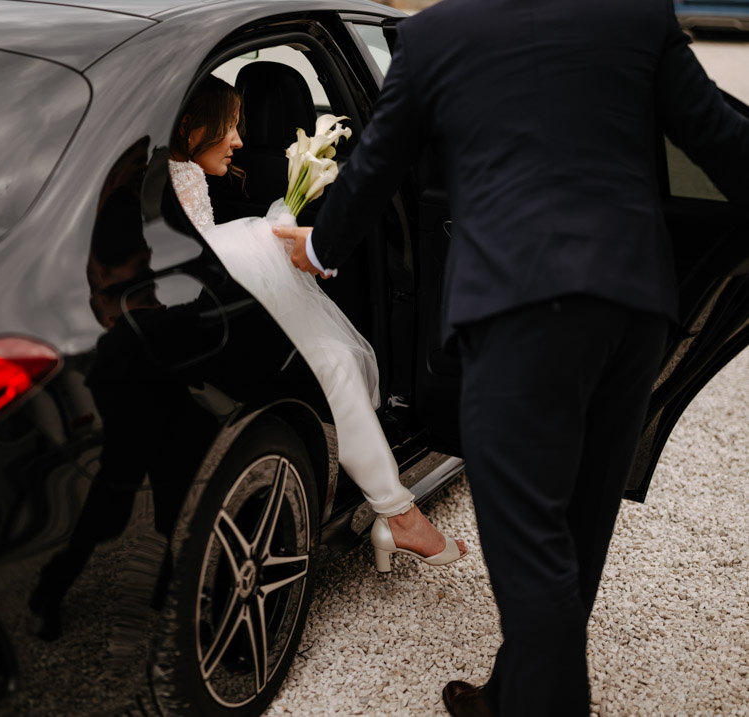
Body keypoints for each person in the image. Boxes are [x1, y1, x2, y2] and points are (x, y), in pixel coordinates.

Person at [275, 0, 749, 714]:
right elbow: (727, 147)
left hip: (518, 311)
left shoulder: (435, 36)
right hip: (633, 310)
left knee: (529, 547)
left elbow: (375, 167)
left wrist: (317, 247)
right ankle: (510, 694)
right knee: (577, 529)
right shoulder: (632, 17)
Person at [168, 76, 467, 568]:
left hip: (205, 312)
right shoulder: (178, 177)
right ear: (189, 127)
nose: (239, 140)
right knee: (332, 362)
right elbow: (194, 264)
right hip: (195, 325)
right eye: (229, 126)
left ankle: (397, 512)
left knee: (334, 360)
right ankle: (397, 515)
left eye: (241, 125)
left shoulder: (179, 172)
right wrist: (266, 238)